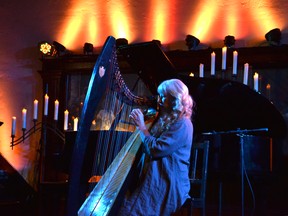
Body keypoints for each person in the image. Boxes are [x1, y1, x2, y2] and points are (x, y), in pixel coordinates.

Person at [118, 78, 194, 216]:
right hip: (154, 176)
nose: (158, 100)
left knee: (129, 211)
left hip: (168, 180)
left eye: (163, 97)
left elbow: (156, 150)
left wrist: (141, 127)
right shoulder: (164, 119)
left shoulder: (182, 124)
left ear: (175, 100)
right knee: (122, 204)